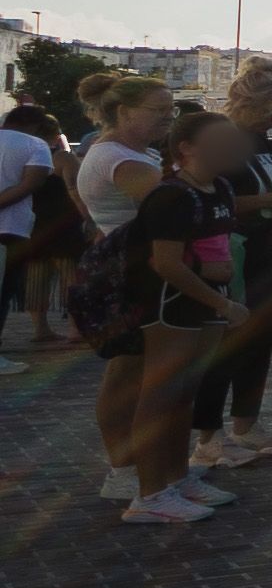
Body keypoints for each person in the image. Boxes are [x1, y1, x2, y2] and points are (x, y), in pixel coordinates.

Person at [121, 111, 255, 524]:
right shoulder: (171, 195)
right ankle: (148, 494)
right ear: (187, 148)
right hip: (171, 305)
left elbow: (219, 250)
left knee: (184, 395)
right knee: (160, 395)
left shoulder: (221, 187)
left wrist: (224, 294)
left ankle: (177, 478)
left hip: (207, 303)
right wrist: (221, 302)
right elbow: (166, 263)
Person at [185, 59, 272, 471]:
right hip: (235, 254)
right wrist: (269, 202)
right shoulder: (225, 143)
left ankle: (246, 424)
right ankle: (208, 437)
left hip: (271, 254)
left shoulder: (265, 143)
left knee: (259, 343)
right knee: (226, 346)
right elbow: (204, 198)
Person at [75, 72, 174, 505]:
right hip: (128, 272)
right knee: (127, 374)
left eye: (171, 111)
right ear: (124, 111)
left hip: (136, 268)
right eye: (159, 111)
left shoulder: (136, 152)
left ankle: (140, 467)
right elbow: (171, 205)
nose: (168, 119)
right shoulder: (118, 158)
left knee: (139, 373)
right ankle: (123, 469)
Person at [9, 102, 80, 351]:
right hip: (63, 222)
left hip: (33, 221)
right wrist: (87, 216)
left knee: (36, 278)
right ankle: (75, 328)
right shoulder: (62, 157)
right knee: (71, 277)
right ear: (53, 134)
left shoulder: (23, 156)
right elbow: (75, 188)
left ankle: (40, 328)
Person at [0, 100, 58, 373]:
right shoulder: (35, 146)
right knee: (3, 292)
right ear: (36, 125)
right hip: (11, 229)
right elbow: (30, 184)